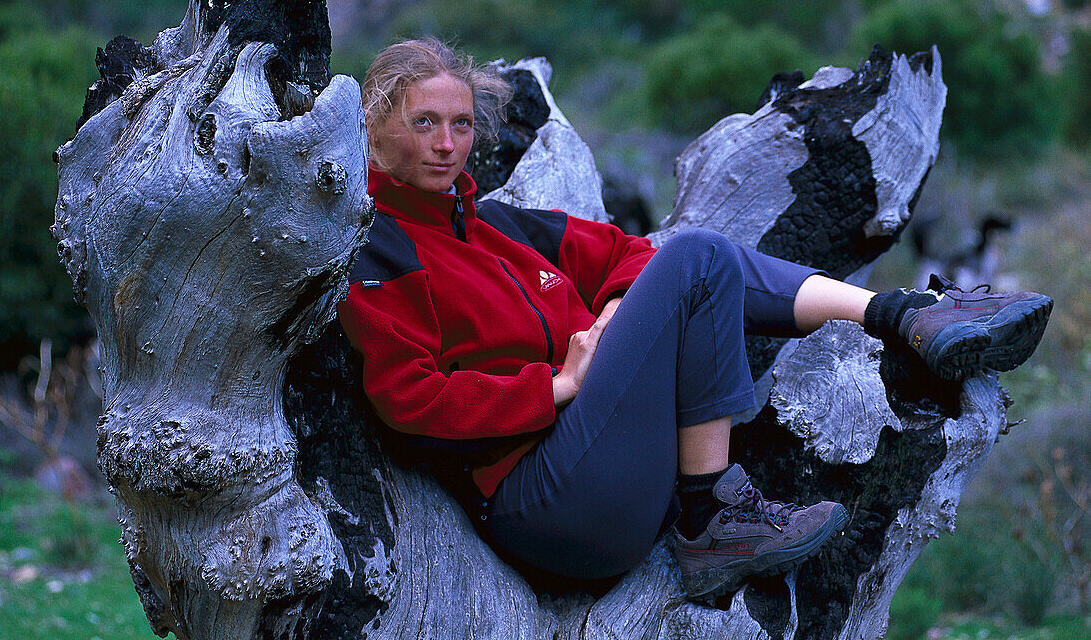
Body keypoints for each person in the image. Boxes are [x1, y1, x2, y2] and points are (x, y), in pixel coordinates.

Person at [337, 38, 1053, 602]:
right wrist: (554, 385)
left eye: (460, 124)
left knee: (684, 264)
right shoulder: (377, 246)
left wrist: (613, 317)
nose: (446, 143)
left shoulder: (498, 227)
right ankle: (711, 515)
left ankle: (902, 316)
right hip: (546, 505)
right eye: (423, 123)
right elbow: (410, 397)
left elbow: (625, 251)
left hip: (613, 466)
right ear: (373, 127)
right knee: (698, 259)